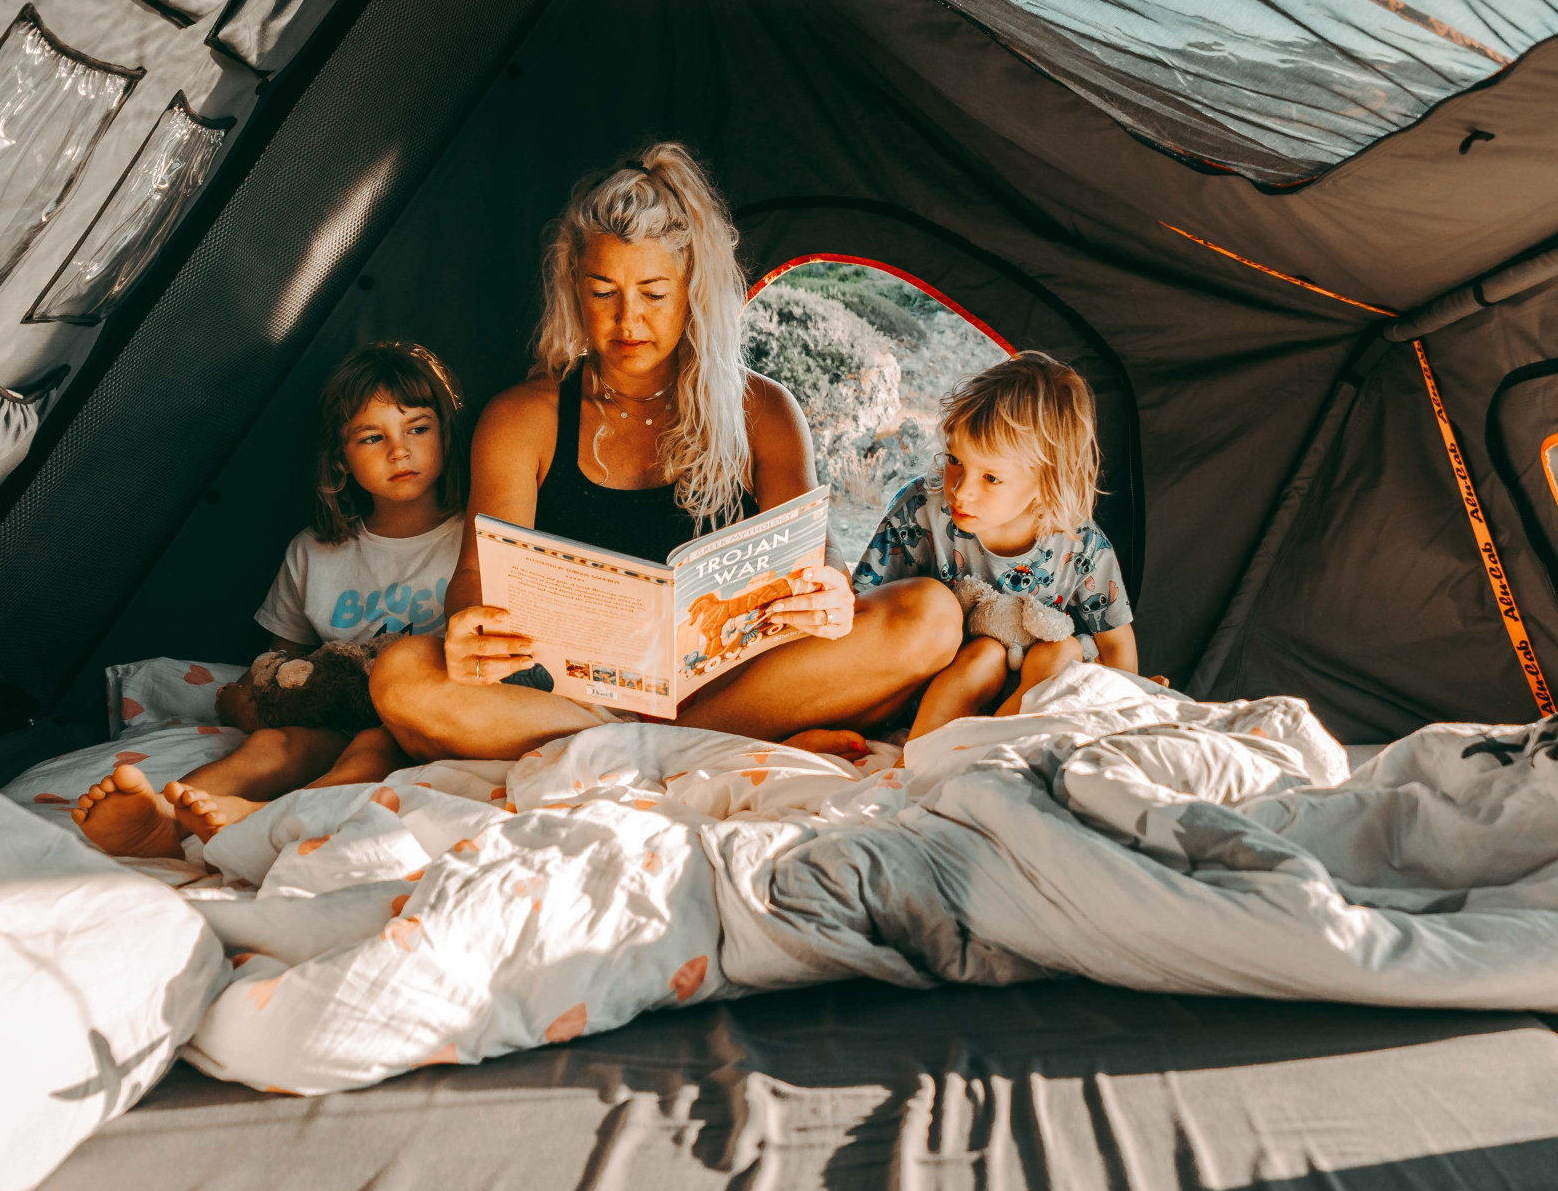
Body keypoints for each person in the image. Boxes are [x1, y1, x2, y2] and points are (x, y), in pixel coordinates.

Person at [370, 144, 962, 761]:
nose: (629, 320)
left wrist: (831, 591)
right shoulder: (523, 419)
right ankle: (697, 746)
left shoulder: (764, 410)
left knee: (930, 616)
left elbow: (818, 559)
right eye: (604, 292)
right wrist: (473, 627)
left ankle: (640, 748)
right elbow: (475, 578)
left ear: (690, 289)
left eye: (653, 293)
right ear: (574, 288)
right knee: (401, 675)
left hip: (736, 684)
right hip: (570, 697)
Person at [75, 340, 467, 854]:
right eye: (372, 437)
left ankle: (272, 823)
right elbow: (282, 659)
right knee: (269, 747)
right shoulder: (315, 551)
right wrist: (253, 695)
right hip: (336, 715)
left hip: (417, 724)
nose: (400, 451)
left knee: (371, 750)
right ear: (341, 459)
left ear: (445, 433)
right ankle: (161, 815)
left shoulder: (474, 540)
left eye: (417, 427)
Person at [861, 352, 1139, 736]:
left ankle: (993, 747)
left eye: (991, 478)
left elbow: (1117, 642)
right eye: (955, 459)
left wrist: (1123, 718)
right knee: (985, 655)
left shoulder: (1081, 545)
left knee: (1064, 652)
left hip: (1036, 693)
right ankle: (916, 762)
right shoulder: (923, 509)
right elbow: (867, 607)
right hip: (943, 683)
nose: (961, 490)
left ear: (1047, 480)